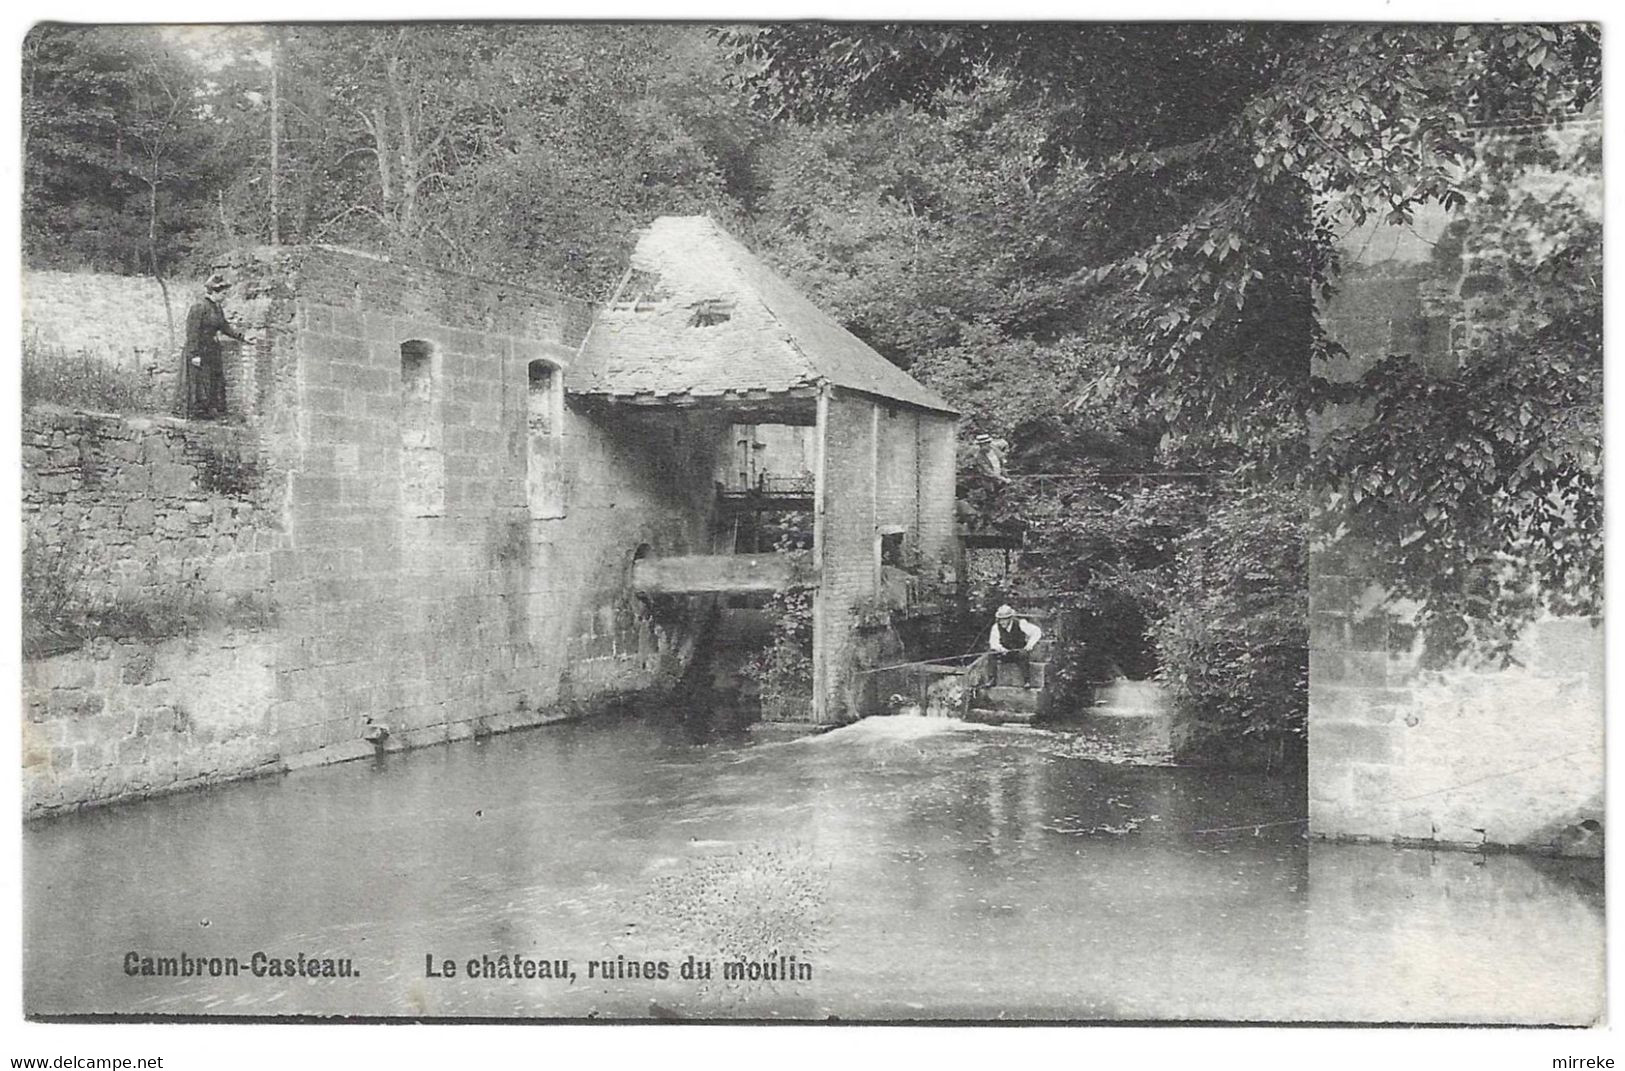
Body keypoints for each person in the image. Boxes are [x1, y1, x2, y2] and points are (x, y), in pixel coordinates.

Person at [180, 273, 247, 420]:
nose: (224, 297)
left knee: (215, 380)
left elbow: (225, 327)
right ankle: (198, 413)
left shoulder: (217, 309)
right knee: (200, 381)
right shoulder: (198, 307)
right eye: (223, 294)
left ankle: (212, 410)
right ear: (214, 292)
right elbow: (192, 332)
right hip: (200, 350)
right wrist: (194, 354)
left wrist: (242, 337)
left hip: (212, 350)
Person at [988, 604, 1043, 687]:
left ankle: (1027, 681)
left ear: (1010, 618)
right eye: (1000, 620)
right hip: (1005, 653)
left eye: (1005, 619)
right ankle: (992, 679)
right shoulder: (996, 627)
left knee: (1023, 655)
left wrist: (1030, 644)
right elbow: (993, 643)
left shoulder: (1021, 624)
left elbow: (1037, 631)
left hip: (1018, 653)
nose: (1002, 622)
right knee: (991, 654)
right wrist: (1001, 649)